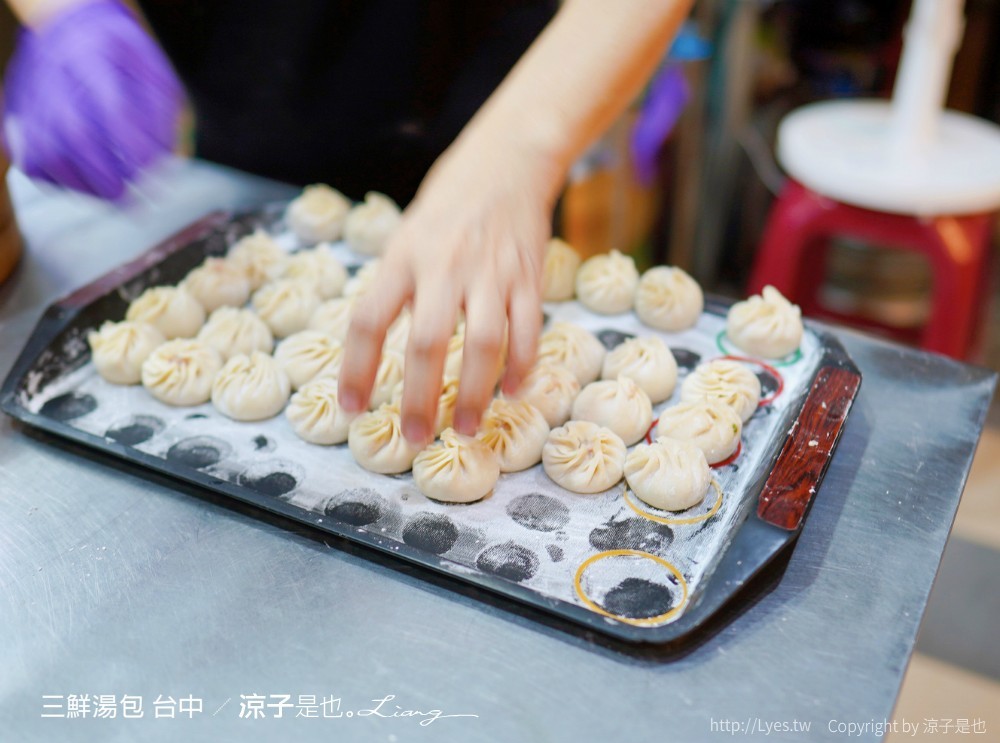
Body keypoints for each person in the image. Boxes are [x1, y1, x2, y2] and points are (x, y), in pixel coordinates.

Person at [3, 0, 692, 444]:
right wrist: (71, 12)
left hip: (493, 105)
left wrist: (523, 146)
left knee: (490, 317)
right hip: (245, 118)